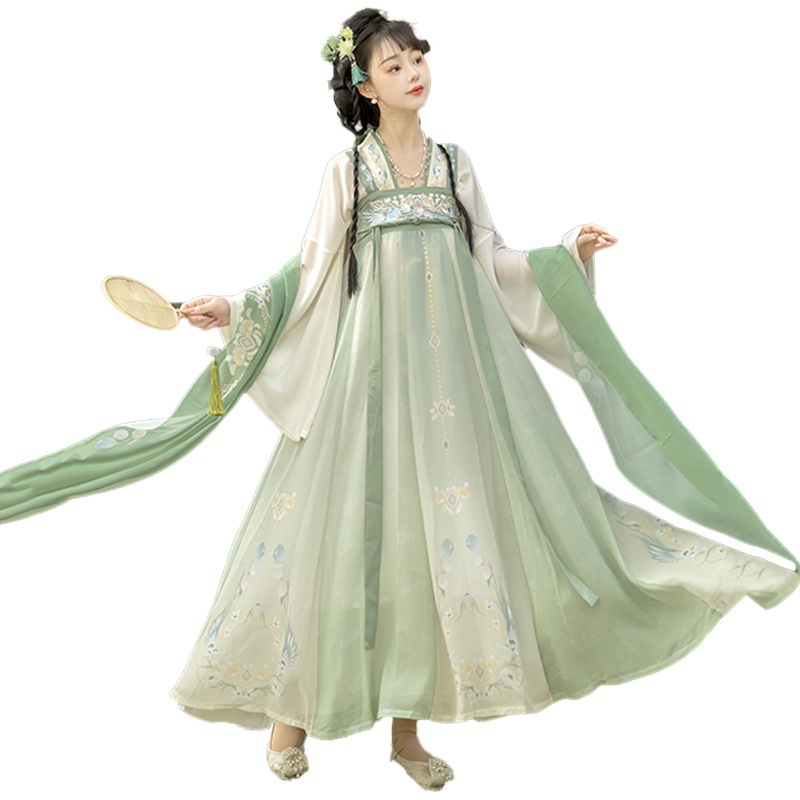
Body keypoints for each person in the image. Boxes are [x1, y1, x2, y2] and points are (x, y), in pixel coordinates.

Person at [1, 7, 797, 793]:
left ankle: (408, 732)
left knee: (435, 540)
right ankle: (290, 716)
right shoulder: (348, 171)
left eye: (417, 57)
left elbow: (490, 260)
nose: (414, 72)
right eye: (394, 65)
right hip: (368, 382)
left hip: (456, 389)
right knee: (339, 532)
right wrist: (237, 306)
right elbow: (308, 272)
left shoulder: (456, 164)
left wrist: (562, 257)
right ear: (365, 86)